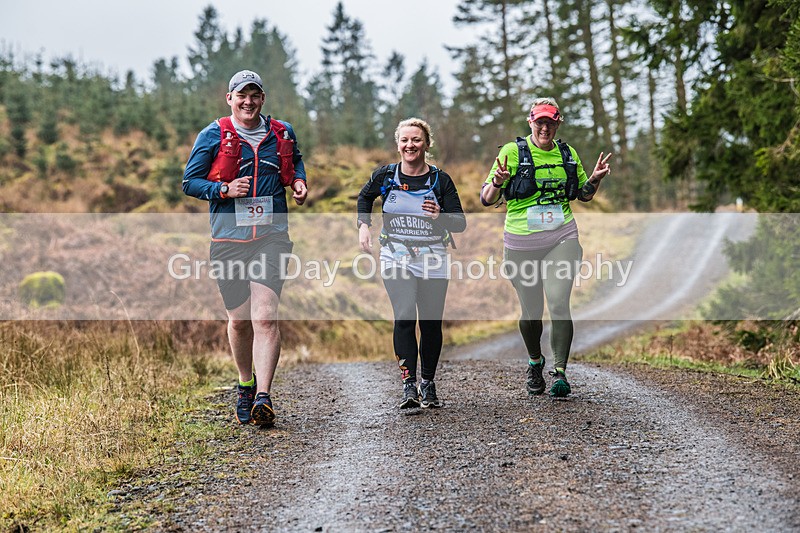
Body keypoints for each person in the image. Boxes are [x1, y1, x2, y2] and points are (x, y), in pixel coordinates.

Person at [183, 70, 308, 426]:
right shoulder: (213, 134)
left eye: (254, 95)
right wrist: (222, 191)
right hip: (228, 240)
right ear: (230, 98)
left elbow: (294, 161)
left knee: (265, 315)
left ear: (262, 99)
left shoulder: (281, 132)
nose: (248, 102)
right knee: (239, 322)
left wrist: (298, 182)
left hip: (272, 235)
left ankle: (264, 398)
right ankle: (245, 384)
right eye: (242, 95)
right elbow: (189, 182)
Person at [480, 97, 611, 398]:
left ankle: (560, 373)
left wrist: (594, 179)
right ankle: (535, 361)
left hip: (561, 237)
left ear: (558, 122)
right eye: (539, 121)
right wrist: (498, 182)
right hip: (520, 244)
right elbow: (486, 198)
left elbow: (582, 194)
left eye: (550, 121)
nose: (545, 127)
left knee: (557, 300)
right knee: (531, 312)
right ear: (531, 121)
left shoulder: (567, 153)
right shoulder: (513, 152)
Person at [358, 118, 466, 409]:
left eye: (416, 140)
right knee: (405, 315)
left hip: (432, 257)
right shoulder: (386, 176)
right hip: (396, 255)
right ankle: (409, 385)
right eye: (405, 140)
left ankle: (428, 383)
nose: (410, 145)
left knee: (430, 323)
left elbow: (460, 222)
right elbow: (365, 197)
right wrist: (363, 225)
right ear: (398, 145)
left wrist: (439, 216)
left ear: (426, 144)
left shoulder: (440, 180)